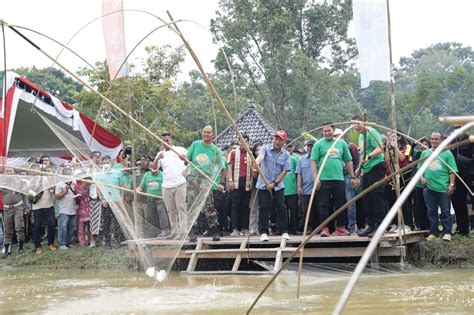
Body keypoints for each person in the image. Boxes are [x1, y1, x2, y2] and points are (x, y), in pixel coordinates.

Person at [311, 123, 355, 237]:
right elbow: (313, 162)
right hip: (323, 179)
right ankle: (324, 228)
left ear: (333, 131)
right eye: (324, 131)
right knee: (323, 204)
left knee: (340, 203)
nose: (327, 133)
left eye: (329, 131)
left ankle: (340, 228)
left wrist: (353, 176)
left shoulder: (341, 143)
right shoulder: (318, 144)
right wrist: (316, 178)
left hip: (338, 178)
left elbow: (348, 161)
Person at [185, 125, 225, 242]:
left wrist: (221, 183)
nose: (205, 134)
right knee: (192, 205)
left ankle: (214, 229)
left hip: (205, 179)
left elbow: (221, 167)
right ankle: (192, 232)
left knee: (209, 205)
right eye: (204, 132)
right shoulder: (195, 144)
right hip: (193, 178)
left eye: (208, 133)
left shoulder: (216, 150)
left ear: (212, 135)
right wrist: (183, 158)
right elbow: (187, 159)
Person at [419, 132, 458, 242]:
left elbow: (452, 171)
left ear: (441, 140)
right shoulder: (425, 153)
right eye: (432, 139)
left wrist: (451, 185)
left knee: (445, 211)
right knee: (431, 211)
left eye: (436, 139)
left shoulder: (447, 153)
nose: (433, 141)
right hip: (428, 188)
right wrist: (421, 178)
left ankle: (447, 232)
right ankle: (434, 232)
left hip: (443, 187)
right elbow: (419, 168)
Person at [352, 116, 386, 238]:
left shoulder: (371, 131)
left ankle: (379, 225)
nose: (354, 127)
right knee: (366, 197)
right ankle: (370, 225)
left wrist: (370, 156)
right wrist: (359, 167)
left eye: (356, 124)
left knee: (377, 196)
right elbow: (362, 154)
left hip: (376, 166)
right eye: (353, 125)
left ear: (362, 122)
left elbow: (380, 148)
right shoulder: (361, 136)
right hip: (366, 169)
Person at [256, 130, 291, 242]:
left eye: (280, 139)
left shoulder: (285, 154)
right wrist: (256, 162)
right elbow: (260, 157)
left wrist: (274, 183)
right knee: (264, 207)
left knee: (281, 207)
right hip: (263, 184)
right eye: (276, 138)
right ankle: (264, 232)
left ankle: (284, 231)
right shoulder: (265, 148)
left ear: (284, 141)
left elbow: (284, 171)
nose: (277, 141)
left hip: (277, 185)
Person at [152, 132, 188, 237]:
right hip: (166, 185)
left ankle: (183, 231)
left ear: (171, 140)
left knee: (181, 208)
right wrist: (157, 159)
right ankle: (174, 232)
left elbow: (189, 160)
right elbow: (154, 169)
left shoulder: (180, 150)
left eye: (167, 140)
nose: (165, 142)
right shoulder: (160, 154)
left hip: (180, 183)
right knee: (171, 210)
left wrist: (185, 166)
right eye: (163, 141)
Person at [385, 131, 414, 232]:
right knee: (392, 200)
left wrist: (395, 147)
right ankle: (395, 223)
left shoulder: (407, 147)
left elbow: (402, 158)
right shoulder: (389, 148)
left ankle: (407, 224)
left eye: (392, 136)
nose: (389, 138)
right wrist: (388, 148)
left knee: (404, 200)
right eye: (388, 136)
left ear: (399, 136)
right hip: (393, 176)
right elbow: (387, 161)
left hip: (404, 175)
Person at [29, 156, 57, 255]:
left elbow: (53, 186)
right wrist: (35, 176)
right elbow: (29, 190)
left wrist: (49, 175)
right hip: (37, 206)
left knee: (52, 224)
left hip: (48, 204)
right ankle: (37, 246)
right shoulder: (32, 178)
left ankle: (51, 243)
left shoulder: (47, 175)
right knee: (37, 226)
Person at [334, 128, 360, 234]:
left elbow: (356, 162)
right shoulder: (333, 148)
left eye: (339, 135)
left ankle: (351, 227)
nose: (337, 138)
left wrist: (355, 176)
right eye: (335, 136)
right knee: (339, 202)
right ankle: (341, 226)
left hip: (349, 175)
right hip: (337, 176)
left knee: (350, 201)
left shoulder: (350, 146)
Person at [96, 155, 124, 248]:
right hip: (106, 202)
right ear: (101, 164)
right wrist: (102, 199)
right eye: (104, 163)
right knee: (106, 222)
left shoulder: (118, 173)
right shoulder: (99, 175)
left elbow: (122, 186)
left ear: (111, 163)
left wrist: (121, 199)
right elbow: (98, 188)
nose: (106, 165)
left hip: (116, 200)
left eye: (107, 163)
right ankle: (107, 242)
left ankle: (118, 240)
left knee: (117, 222)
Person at [227, 134, 252, 236]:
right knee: (235, 205)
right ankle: (235, 228)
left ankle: (244, 228)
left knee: (245, 205)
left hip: (246, 181)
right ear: (238, 142)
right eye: (241, 141)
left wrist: (250, 180)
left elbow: (252, 168)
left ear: (248, 142)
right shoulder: (233, 153)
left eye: (245, 141)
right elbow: (229, 167)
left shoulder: (250, 153)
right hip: (235, 181)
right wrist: (230, 180)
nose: (243, 143)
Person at [450, 129, 473, 236]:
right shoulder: (452, 141)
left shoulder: (470, 140)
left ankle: (466, 229)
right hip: (455, 176)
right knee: (457, 202)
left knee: (469, 202)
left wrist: (461, 160)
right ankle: (461, 228)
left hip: (469, 175)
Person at [137, 167, 170, 237]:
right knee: (149, 217)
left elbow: (167, 186)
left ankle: (165, 230)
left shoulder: (162, 174)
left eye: (155, 167)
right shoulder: (146, 175)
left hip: (160, 199)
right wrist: (137, 190)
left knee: (161, 213)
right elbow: (141, 186)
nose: (154, 169)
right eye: (152, 167)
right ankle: (152, 233)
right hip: (150, 200)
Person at [2, 167, 28, 257]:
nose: (9, 172)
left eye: (10, 171)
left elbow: (24, 193)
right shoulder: (2, 181)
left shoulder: (19, 181)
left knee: (19, 227)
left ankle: (20, 247)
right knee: (7, 229)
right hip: (7, 208)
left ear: (14, 172)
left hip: (18, 207)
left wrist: (26, 206)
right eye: (7, 171)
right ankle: (7, 250)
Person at [296, 140, 318, 234]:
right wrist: (299, 186)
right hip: (306, 189)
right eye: (308, 146)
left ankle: (318, 227)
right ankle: (307, 228)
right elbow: (299, 174)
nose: (309, 148)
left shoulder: (319, 158)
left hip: (318, 188)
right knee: (305, 210)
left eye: (311, 146)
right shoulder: (301, 159)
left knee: (319, 208)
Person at [55, 167, 77, 250]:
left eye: (69, 174)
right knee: (63, 226)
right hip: (63, 208)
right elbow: (57, 196)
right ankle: (62, 243)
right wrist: (65, 191)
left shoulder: (74, 183)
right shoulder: (60, 184)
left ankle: (69, 242)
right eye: (66, 174)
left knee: (72, 226)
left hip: (73, 208)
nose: (68, 175)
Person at [411, 138, 430, 230]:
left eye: (426, 144)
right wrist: (415, 142)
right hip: (418, 184)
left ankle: (429, 226)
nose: (423, 146)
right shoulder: (418, 154)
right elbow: (409, 151)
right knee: (419, 206)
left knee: (429, 206)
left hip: (428, 184)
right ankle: (421, 226)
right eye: (421, 144)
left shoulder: (431, 155)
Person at [282, 142, 299, 235]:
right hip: (281, 189)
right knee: (282, 210)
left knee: (294, 210)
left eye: (290, 146)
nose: (288, 148)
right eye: (287, 146)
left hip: (292, 189)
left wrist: (298, 187)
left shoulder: (296, 158)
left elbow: (298, 174)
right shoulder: (280, 157)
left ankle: (294, 228)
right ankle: (283, 229)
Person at [248, 142, 263, 235]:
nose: (258, 152)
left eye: (260, 150)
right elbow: (253, 176)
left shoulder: (267, 159)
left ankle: (264, 228)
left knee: (264, 208)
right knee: (254, 207)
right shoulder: (253, 161)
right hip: (255, 186)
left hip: (265, 187)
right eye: (256, 150)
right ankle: (253, 228)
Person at [88, 151, 102, 247]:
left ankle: (102, 239)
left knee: (102, 220)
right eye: (95, 156)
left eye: (98, 157)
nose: (97, 158)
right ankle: (92, 240)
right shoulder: (88, 170)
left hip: (103, 197)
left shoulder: (102, 169)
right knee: (93, 220)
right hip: (93, 197)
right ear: (91, 158)